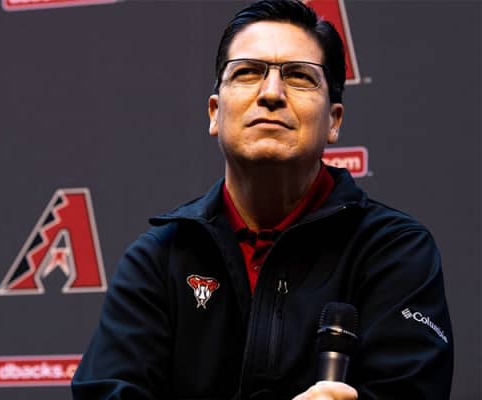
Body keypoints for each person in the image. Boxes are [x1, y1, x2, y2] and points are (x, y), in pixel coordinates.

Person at [71, 0, 454, 399]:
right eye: (248, 72)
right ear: (215, 113)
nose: (271, 93)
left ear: (334, 120)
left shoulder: (394, 251)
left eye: (299, 76)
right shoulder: (160, 257)